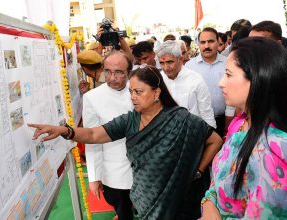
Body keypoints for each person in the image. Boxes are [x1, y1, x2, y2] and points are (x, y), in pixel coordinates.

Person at [28, 65, 223, 220]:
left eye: (139, 92)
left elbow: (216, 140)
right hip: (144, 197)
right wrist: (65, 130)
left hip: (178, 199)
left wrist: (198, 170)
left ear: (156, 93)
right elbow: (94, 135)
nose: (133, 97)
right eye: (131, 92)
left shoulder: (182, 119)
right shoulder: (130, 120)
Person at [201, 37, 287, 219]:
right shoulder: (240, 125)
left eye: (229, 74)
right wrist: (209, 205)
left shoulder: (273, 149)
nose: (221, 82)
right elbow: (217, 183)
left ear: (257, 78)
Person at [84, 50, 134, 220]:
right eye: (107, 71)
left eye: (119, 72)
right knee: (123, 210)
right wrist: (94, 176)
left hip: (145, 169)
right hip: (114, 172)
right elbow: (92, 139)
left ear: (129, 72)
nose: (112, 78)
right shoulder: (92, 98)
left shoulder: (140, 91)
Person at [185, 27, 235, 136]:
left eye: (211, 41)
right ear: (198, 44)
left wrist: (228, 123)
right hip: (198, 122)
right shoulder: (189, 67)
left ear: (218, 42)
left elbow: (232, 93)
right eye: (203, 42)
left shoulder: (228, 64)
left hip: (224, 120)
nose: (207, 46)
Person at [156, 40, 216, 128]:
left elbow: (206, 113)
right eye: (162, 63)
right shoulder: (158, 80)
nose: (166, 67)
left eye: (170, 62)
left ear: (180, 59)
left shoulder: (196, 79)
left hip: (193, 132)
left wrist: (211, 137)